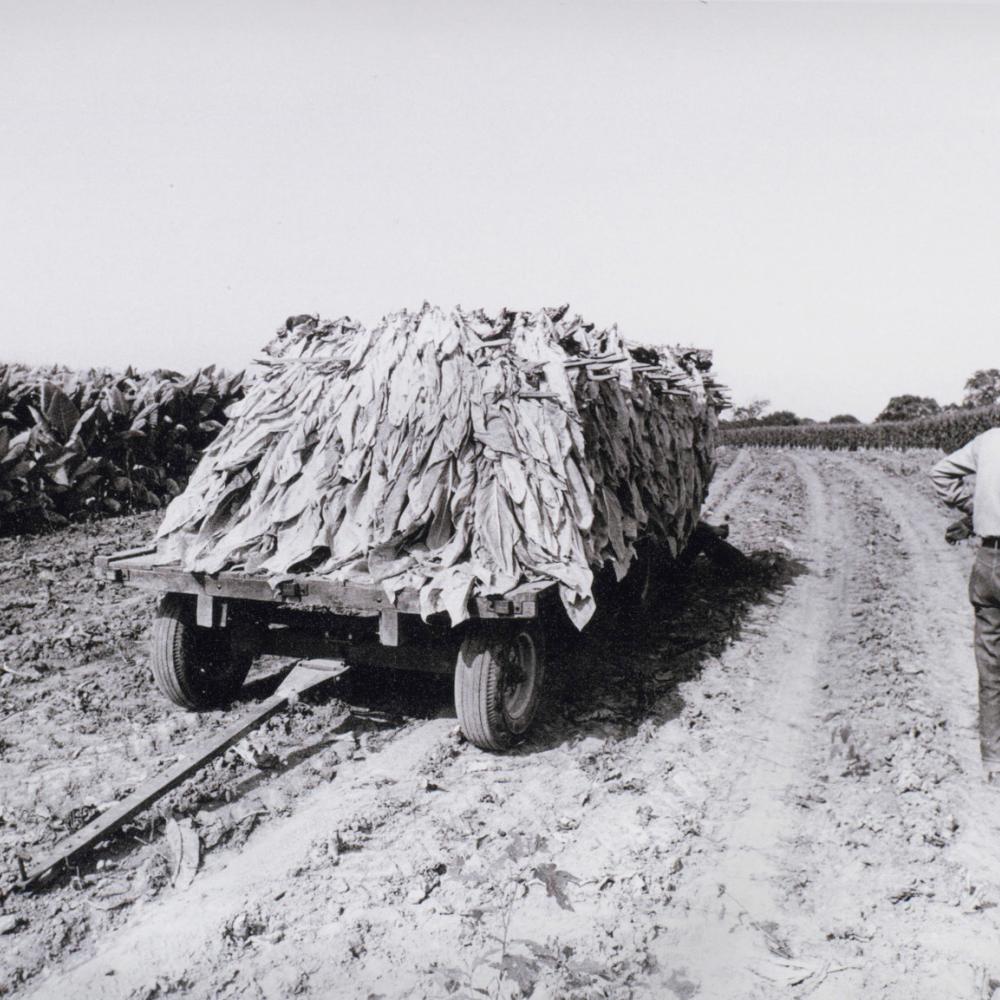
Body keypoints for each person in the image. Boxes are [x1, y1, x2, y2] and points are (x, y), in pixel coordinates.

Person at [931, 427, 1000, 785]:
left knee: (991, 666)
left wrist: (976, 510)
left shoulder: (988, 441)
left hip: (990, 561)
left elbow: (940, 472)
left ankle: (993, 759)